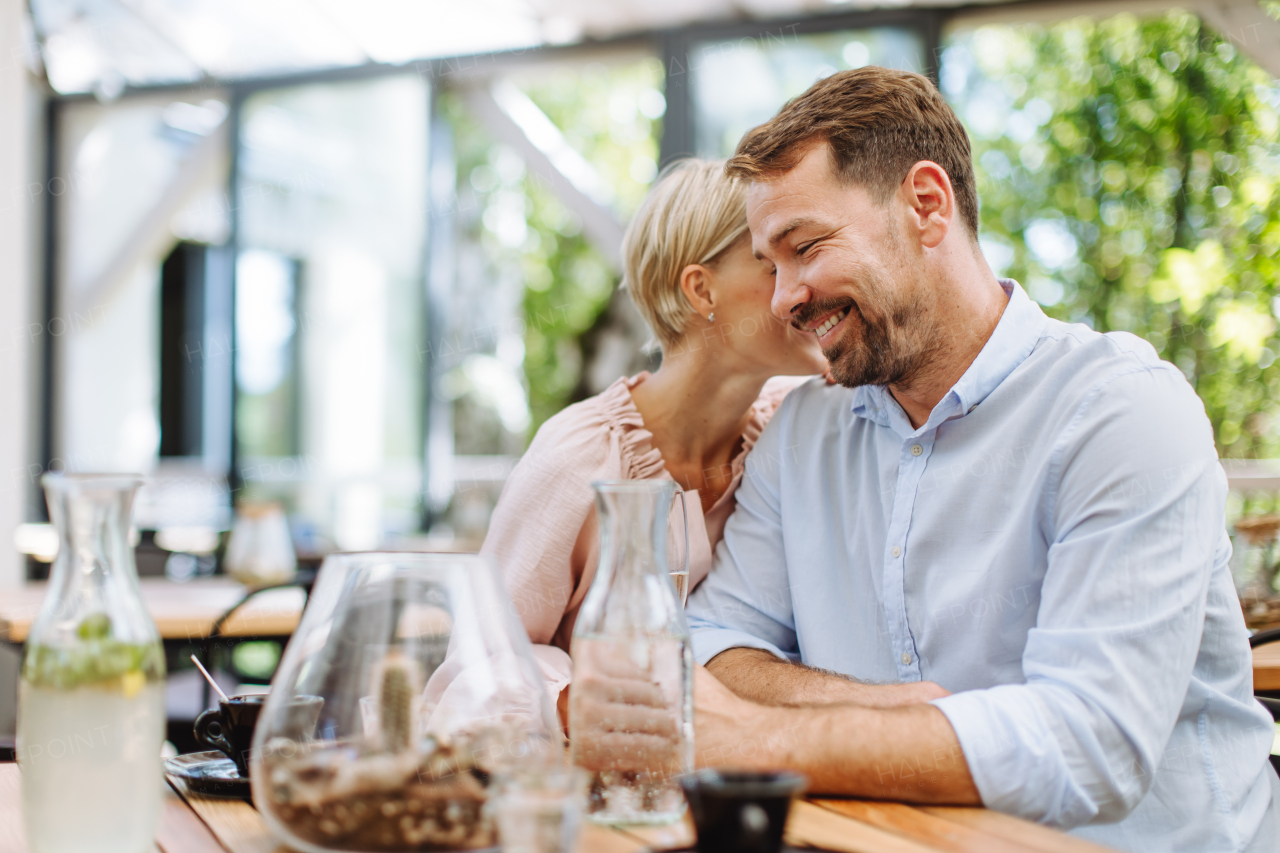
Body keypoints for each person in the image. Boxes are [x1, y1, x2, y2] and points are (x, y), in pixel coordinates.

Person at [685, 66, 1278, 852]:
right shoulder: (803, 434)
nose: (785, 298)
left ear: (926, 205)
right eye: (770, 265)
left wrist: (758, 744)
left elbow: (1088, 742)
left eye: (806, 248)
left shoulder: (1122, 410)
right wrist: (888, 711)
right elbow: (713, 640)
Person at [481, 159, 827, 723]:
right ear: (700, 289)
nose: (803, 285)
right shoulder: (579, 458)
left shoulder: (800, 427)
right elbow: (482, 662)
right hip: (599, 783)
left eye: (805, 253)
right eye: (771, 262)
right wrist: (582, 703)